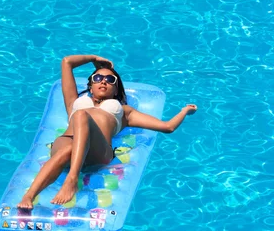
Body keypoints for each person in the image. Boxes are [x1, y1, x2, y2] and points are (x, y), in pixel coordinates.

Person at [17, 54, 197, 209]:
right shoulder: (73, 101)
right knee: (67, 148)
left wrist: (184, 111)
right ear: (90, 85)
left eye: (111, 80)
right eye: (97, 78)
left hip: (98, 150)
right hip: (68, 141)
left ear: (116, 87)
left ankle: (72, 179)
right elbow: (67, 62)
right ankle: (29, 195)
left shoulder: (125, 111)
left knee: (80, 115)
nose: (103, 81)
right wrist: (95, 59)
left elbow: (167, 127)